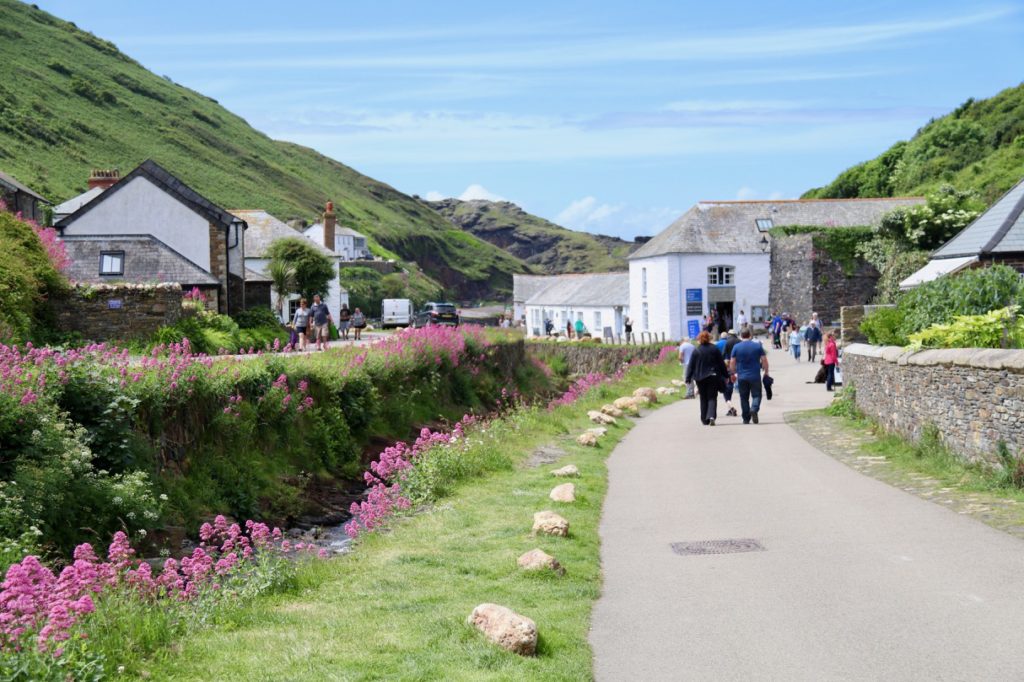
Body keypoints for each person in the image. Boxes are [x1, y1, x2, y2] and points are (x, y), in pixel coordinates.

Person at [685, 330, 728, 426]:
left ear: (699, 339)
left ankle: (704, 419)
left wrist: (688, 377)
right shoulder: (714, 349)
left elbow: (691, 365)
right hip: (713, 376)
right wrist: (726, 375)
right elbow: (721, 363)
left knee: (703, 398)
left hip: (700, 378)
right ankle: (711, 416)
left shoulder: (696, 350)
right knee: (712, 397)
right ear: (709, 338)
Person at [729, 327, 769, 424]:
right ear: (750, 335)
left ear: (741, 336)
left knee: (744, 397)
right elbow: (764, 360)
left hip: (742, 376)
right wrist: (766, 372)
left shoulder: (736, 347)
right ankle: (754, 409)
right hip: (755, 375)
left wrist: (733, 373)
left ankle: (746, 418)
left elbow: (732, 362)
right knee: (757, 395)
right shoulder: (757, 346)